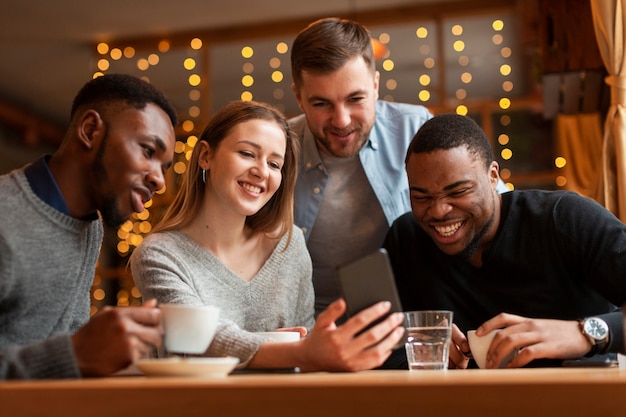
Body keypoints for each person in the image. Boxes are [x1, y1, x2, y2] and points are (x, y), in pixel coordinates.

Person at [130, 100, 404, 372]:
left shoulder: (289, 244)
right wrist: (295, 350)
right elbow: (202, 339)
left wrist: (304, 350)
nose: (262, 172)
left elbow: (304, 353)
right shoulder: (158, 254)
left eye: (274, 164)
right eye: (248, 154)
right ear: (205, 156)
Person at [288, 17, 508, 317]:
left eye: (355, 99)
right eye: (321, 104)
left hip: (415, 319)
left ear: (376, 85)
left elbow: (500, 209)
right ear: (299, 97)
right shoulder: (278, 149)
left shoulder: (416, 128)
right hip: (310, 325)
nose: (341, 120)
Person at [383, 113, 626, 369]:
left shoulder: (564, 218)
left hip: (577, 404)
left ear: (493, 176)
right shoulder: (406, 238)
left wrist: (584, 333)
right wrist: (416, 353)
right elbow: (380, 352)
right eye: (421, 197)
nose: (439, 211)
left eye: (458, 192)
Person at [0, 73, 178, 379]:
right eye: (148, 150)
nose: (159, 181)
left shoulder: (89, 226)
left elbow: (66, 347)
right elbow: (68, 357)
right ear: (90, 130)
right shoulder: (6, 216)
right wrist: (75, 355)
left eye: (164, 167)